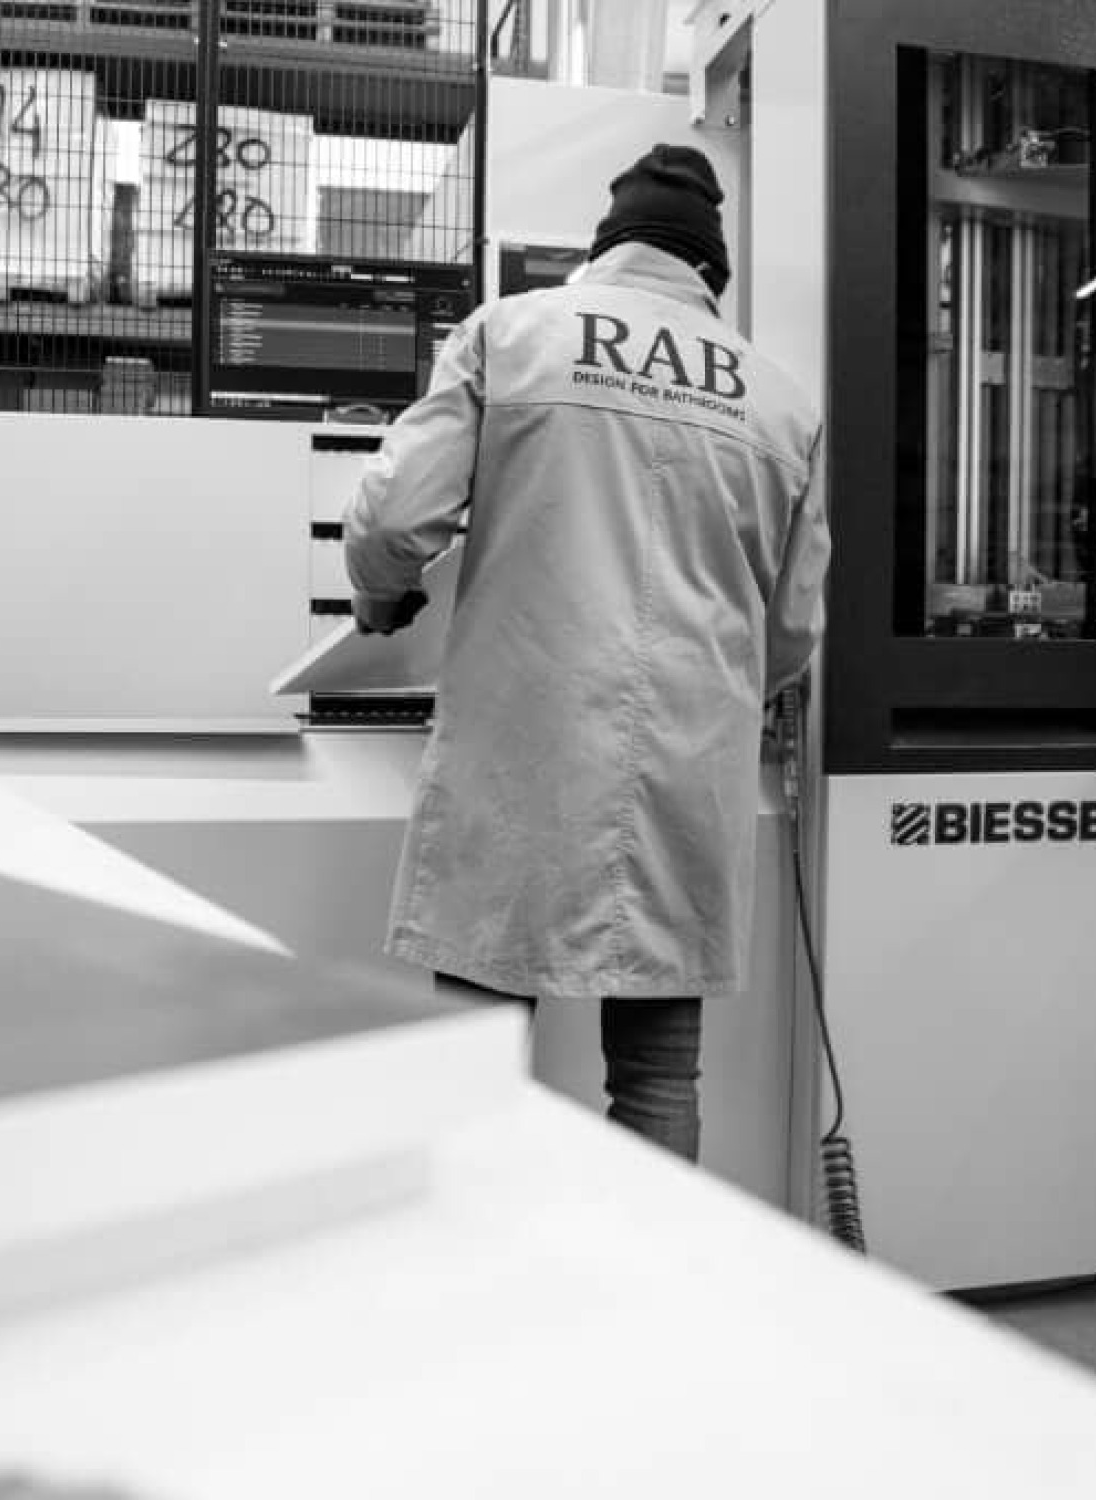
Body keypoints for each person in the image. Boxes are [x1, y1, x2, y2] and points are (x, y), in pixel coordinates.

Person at [342, 144, 829, 1162]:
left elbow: (393, 521)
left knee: (475, 1054)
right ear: (712, 271)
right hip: (687, 766)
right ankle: (637, 1264)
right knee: (657, 1073)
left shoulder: (512, 335)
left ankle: (474, 1252)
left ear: (602, 248)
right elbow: (792, 632)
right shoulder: (782, 404)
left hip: (522, 751)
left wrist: (384, 602)